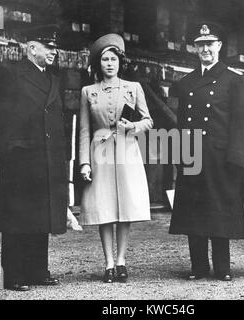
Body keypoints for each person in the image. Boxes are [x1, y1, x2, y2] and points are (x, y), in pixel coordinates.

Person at [0, 25, 68, 291]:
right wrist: (6, 147)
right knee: (17, 218)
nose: (54, 51)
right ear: (32, 49)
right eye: (49, 47)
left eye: (54, 47)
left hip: (46, 158)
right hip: (20, 160)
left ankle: (37, 271)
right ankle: (12, 275)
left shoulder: (53, 79)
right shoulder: (11, 74)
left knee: (41, 216)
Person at [169, 23, 244, 281]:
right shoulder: (186, 82)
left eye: (210, 43)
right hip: (192, 155)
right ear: (195, 48)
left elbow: (241, 123)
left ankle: (223, 267)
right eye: (200, 44)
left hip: (221, 157)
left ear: (219, 46)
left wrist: (237, 158)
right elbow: (180, 122)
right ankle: (198, 266)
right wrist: (179, 156)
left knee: (220, 210)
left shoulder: (234, 80)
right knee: (194, 210)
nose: (205, 48)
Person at [79, 34, 153, 283]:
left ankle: (121, 260)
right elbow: (84, 130)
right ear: (98, 64)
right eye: (104, 59)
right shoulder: (88, 92)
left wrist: (132, 126)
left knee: (125, 208)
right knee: (105, 208)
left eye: (113, 59)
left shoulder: (134, 88)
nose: (109, 63)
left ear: (120, 62)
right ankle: (108, 263)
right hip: (99, 153)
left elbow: (148, 121)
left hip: (126, 150)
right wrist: (84, 162)